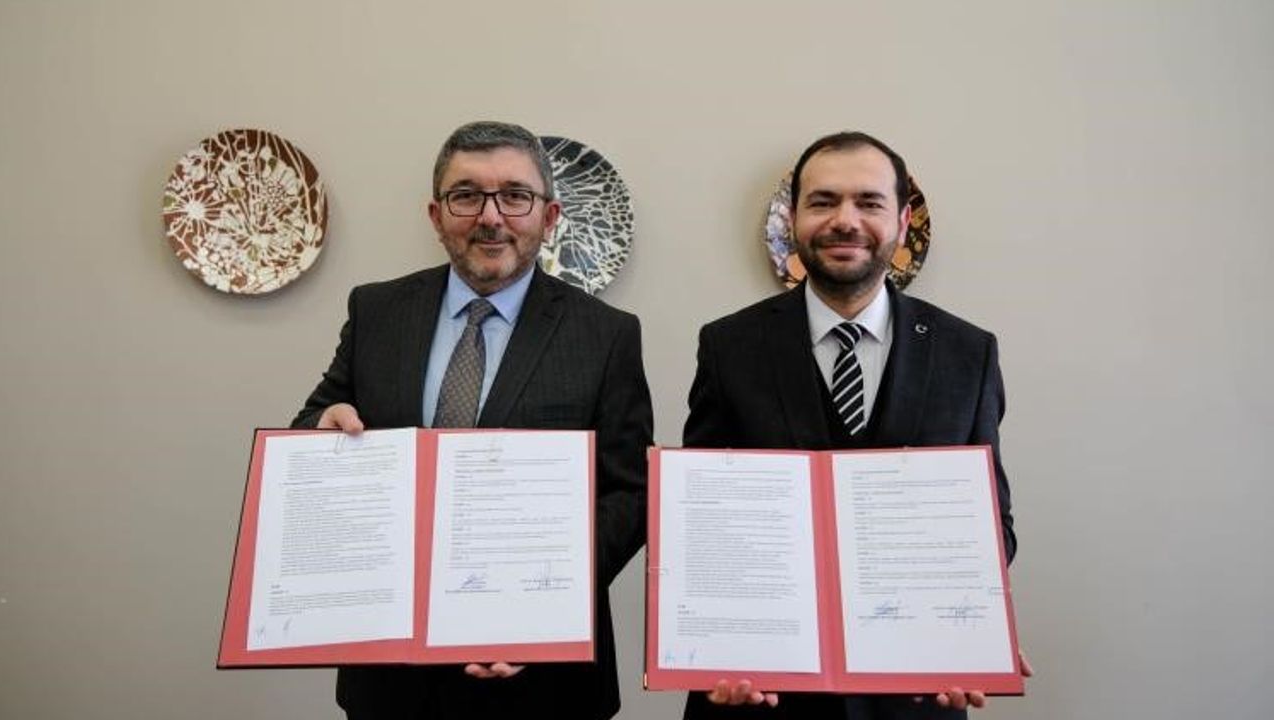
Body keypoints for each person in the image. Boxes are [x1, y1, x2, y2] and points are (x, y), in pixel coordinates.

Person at [292, 120, 653, 720]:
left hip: (547, 680)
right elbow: (316, 418)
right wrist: (318, 431)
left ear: (549, 216)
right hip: (391, 676)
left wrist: (543, 603)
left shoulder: (607, 334)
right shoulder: (377, 310)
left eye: (515, 196)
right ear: (436, 216)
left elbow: (630, 492)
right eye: (466, 195)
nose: (491, 216)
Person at [681, 131, 1022, 719]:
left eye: (868, 202)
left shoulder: (968, 352)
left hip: (915, 691)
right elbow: (703, 524)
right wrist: (716, 645)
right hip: (761, 692)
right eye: (823, 201)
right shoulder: (728, 346)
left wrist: (970, 629)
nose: (845, 220)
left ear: (902, 221)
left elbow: (993, 525)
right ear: (793, 217)